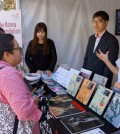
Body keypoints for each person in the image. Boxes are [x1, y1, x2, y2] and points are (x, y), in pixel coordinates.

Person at [0, 34, 42, 134]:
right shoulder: (8, 74)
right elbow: (23, 110)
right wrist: (34, 100)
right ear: (6, 54)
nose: (20, 51)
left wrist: (27, 96)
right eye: (18, 48)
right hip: (18, 128)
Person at [82, 10, 119, 88]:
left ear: (106, 22)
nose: (95, 24)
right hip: (88, 77)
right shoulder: (91, 38)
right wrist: (83, 74)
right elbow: (87, 58)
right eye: (94, 21)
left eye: (99, 21)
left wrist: (101, 83)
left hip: (101, 80)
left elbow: (110, 64)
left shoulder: (112, 40)